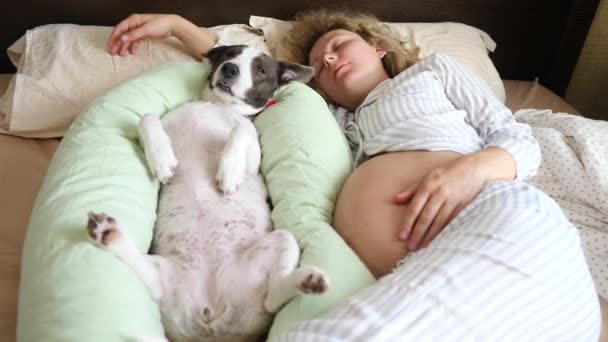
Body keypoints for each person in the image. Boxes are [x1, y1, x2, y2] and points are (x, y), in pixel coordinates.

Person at [107, 11, 601, 341]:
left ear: (379, 48)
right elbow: (244, 67)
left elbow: (515, 136)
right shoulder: (330, 119)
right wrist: (176, 25)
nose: (329, 59)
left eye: (339, 44)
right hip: (414, 272)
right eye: (319, 65)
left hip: (491, 213)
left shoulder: (433, 74)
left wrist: (468, 173)